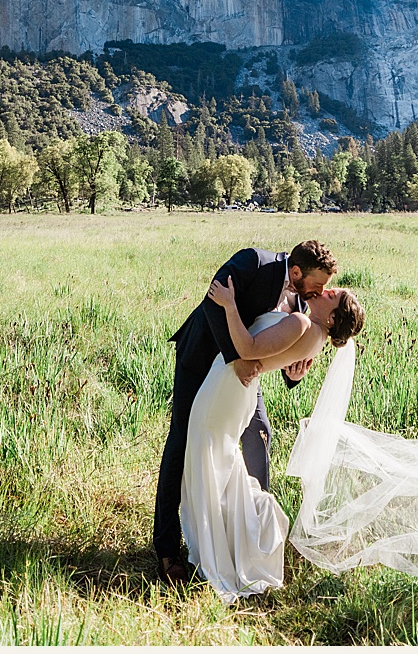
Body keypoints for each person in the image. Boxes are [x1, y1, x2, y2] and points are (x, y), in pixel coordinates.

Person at [153, 240, 333, 586]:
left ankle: (250, 531)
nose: (321, 291)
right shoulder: (253, 262)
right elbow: (213, 299)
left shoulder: (299, 298)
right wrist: (237, 359)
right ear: (296, 272)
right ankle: (166, 550)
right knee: (182, 442)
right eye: (318, 284)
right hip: (205, 357)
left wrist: (292, 373)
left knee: (259, 433)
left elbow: (276, 342)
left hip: (242, 376)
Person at [179, 272, 363, 601]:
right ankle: (231, 539)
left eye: (333, 294)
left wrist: (229, 304)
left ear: (332, 317)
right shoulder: (312, 330)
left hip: (230, 386)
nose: (326, 289)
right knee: (215, 462)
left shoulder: (303, 325)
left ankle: (227, 546)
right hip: (235, 389)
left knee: (208, 460)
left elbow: (247, 350)